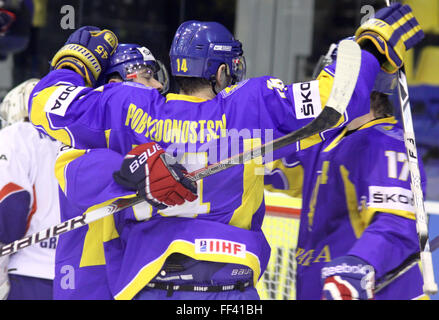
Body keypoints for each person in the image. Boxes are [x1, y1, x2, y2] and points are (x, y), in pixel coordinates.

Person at [28, 4, 423, 300]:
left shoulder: (125, 104)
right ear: (222, 72)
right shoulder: (252, 103)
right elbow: (336, 101)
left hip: (149, 283)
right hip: (233, 289)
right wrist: (371, 46)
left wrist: (76, 62)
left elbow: (44, 103)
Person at [288, 37, 428, 299]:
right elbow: (273, 167)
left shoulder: (388, 144)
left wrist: (360, 265)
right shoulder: (326, 141)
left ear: (357, 87)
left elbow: (396, 224)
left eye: (332, 84)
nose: (324, 94)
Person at [50, 42, 170, 300]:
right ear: (115, 82)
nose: (158, 86)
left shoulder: (151, 130)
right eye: (147, 76)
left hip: (136, 266)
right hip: (91, 271)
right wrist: (138, 168)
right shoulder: (82, 131)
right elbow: (78, 175)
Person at [0, 79, 60, 300]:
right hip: (82, 273)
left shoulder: (16, 135)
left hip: (30, 272)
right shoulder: (80, 141)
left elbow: (10, 204)